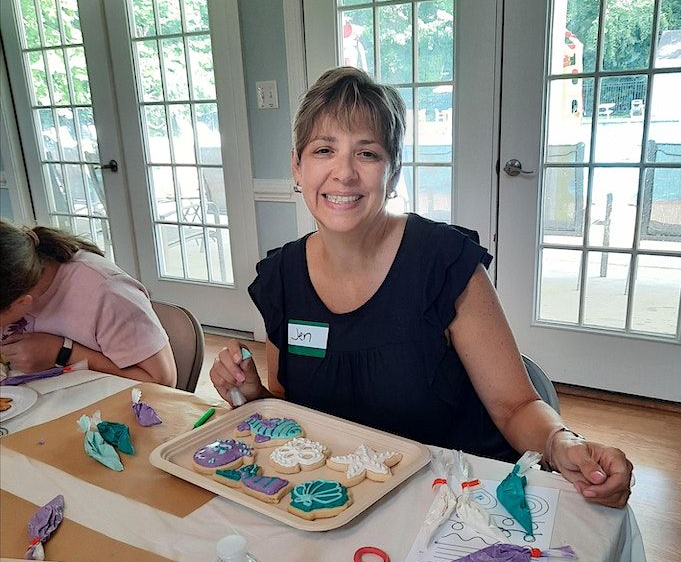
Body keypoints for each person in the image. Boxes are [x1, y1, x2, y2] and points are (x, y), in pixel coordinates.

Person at [210, 67, 633, 508]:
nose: (344, 173)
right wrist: (254, 397)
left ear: (392, 173)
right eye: (323, 150)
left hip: (456, 503)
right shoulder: (282, 277)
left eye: (368, 154)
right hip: (337, 503)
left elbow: (515, 407)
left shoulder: (442, 261)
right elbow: (288, 403)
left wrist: (563, 444)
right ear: (297, 167)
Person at [0, 221, 177, 386]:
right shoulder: (16, 279)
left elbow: (162, 381)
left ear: (22, 303)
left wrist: (64, 353)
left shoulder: (107, 294)